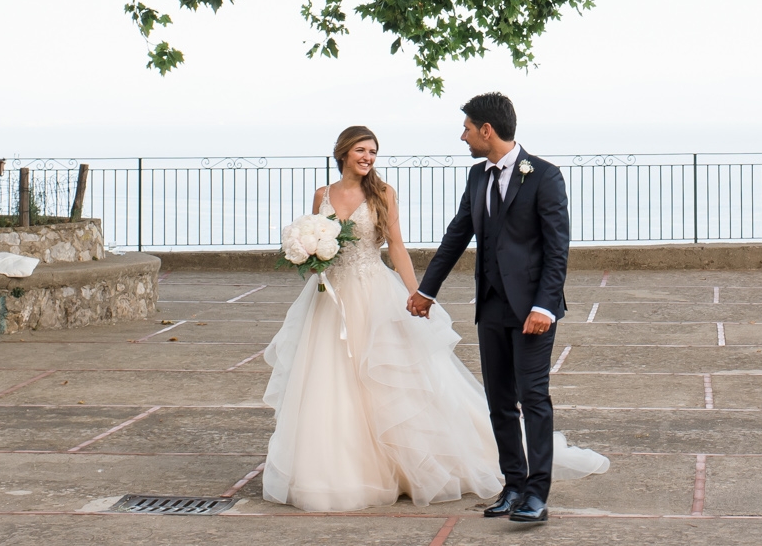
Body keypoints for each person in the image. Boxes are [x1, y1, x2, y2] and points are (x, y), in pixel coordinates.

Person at [260, 125, 503, 511]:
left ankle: (407, 464)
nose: (368, 158)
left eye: (373, 152)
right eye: (361, 150)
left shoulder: (383, 194)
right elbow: (316, 241)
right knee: (329, 380)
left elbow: (398, 248)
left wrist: (417, 293)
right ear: (343, 152)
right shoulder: (323, 194)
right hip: (328, 299)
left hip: (373, 292)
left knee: (386, 379)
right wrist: (309, 254)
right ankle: (336, 469)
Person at [410, 93, 607, 524]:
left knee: (533, 397)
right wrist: (427, 291)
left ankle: (537, 493)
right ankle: (513, 485)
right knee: (498, 402)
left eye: (466, 128)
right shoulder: (477, 177)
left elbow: (558, 249)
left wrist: (545, 306)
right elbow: (456, 235)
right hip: (492, 306)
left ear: (487, 130)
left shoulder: (545, 176)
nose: (462, 136)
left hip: (533, 311)